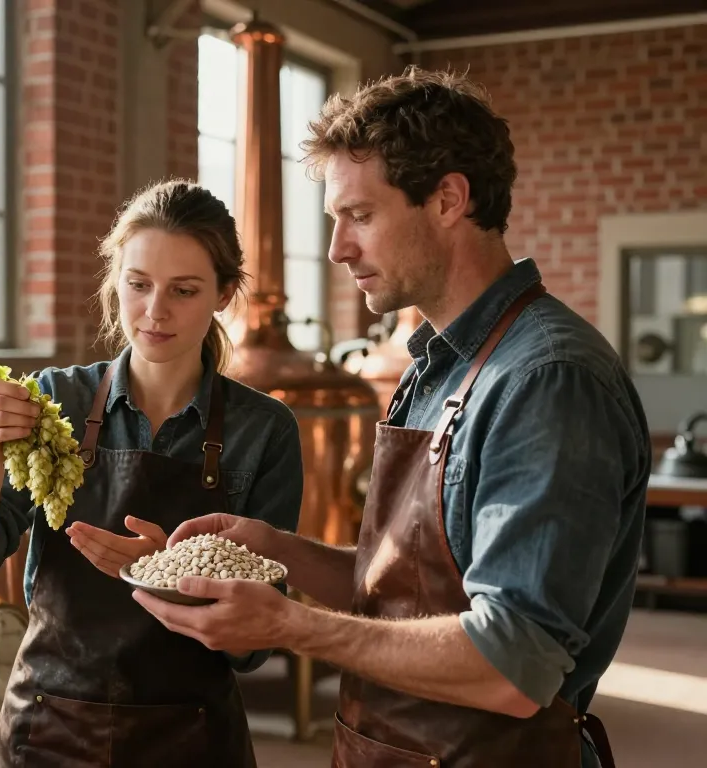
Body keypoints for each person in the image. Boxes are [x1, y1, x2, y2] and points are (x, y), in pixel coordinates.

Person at [133, 67, 650, 768]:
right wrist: (280, 551)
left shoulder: (546, 380)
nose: (337, 249)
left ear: (449, 199)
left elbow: (513, 663)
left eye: (360, 215)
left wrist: (294, 626)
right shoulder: (437, 366)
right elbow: (408, 594)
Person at [0, 179, 303, 767]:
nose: (155, 312)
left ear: (224, 294)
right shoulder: (56, 401)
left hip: (191, 736)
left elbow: (254, 647)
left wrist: (168, 572)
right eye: (138, 285)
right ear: (116, 281)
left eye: (184, 290)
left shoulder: (266, 430)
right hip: (48, 726)